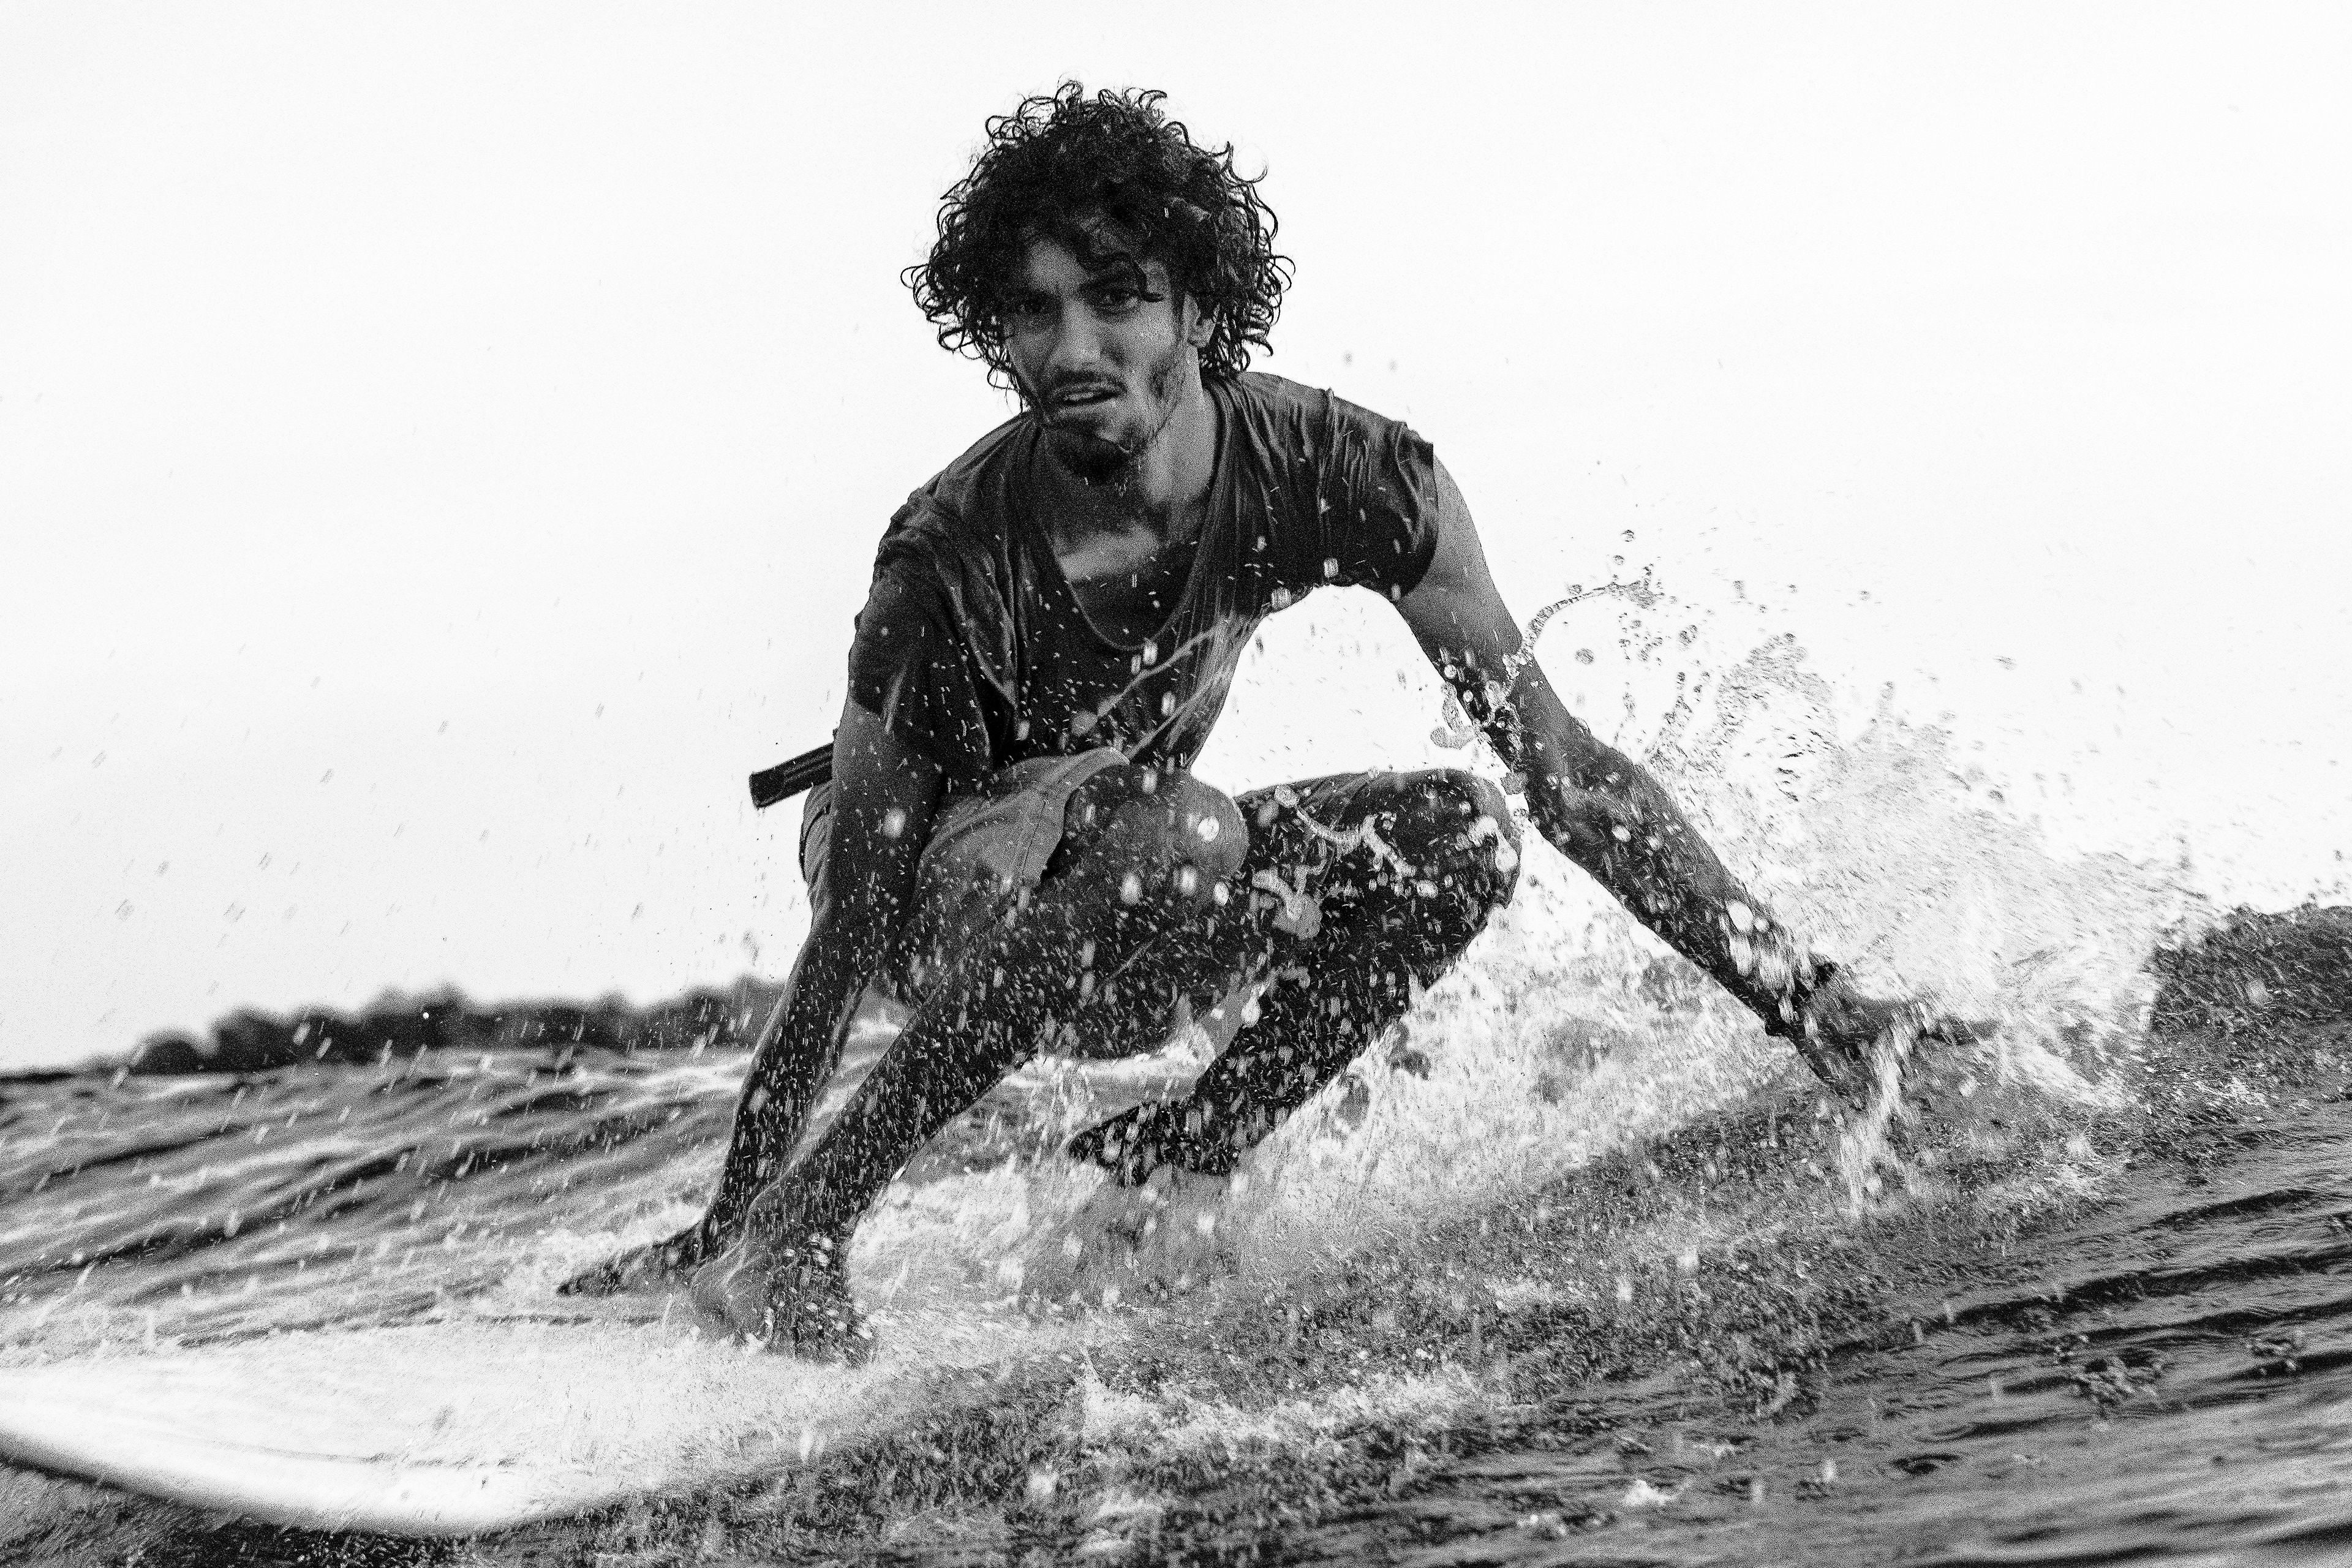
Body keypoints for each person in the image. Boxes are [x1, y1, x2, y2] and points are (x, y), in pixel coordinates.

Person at [564, 84, 1958, 1358]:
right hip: (949, 896)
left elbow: (1568, 775)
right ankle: (802, 1229)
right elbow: (855, 917)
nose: (1072, 347)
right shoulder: (945, 565)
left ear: (1200, 315)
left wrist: (1813, 1003)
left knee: (1455, 839)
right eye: (1034, 311)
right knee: (1184, 828)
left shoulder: (1350, 477)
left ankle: (1171, 1153)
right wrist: (752, 1211)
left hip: (1144, 884)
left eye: (1117, 297)